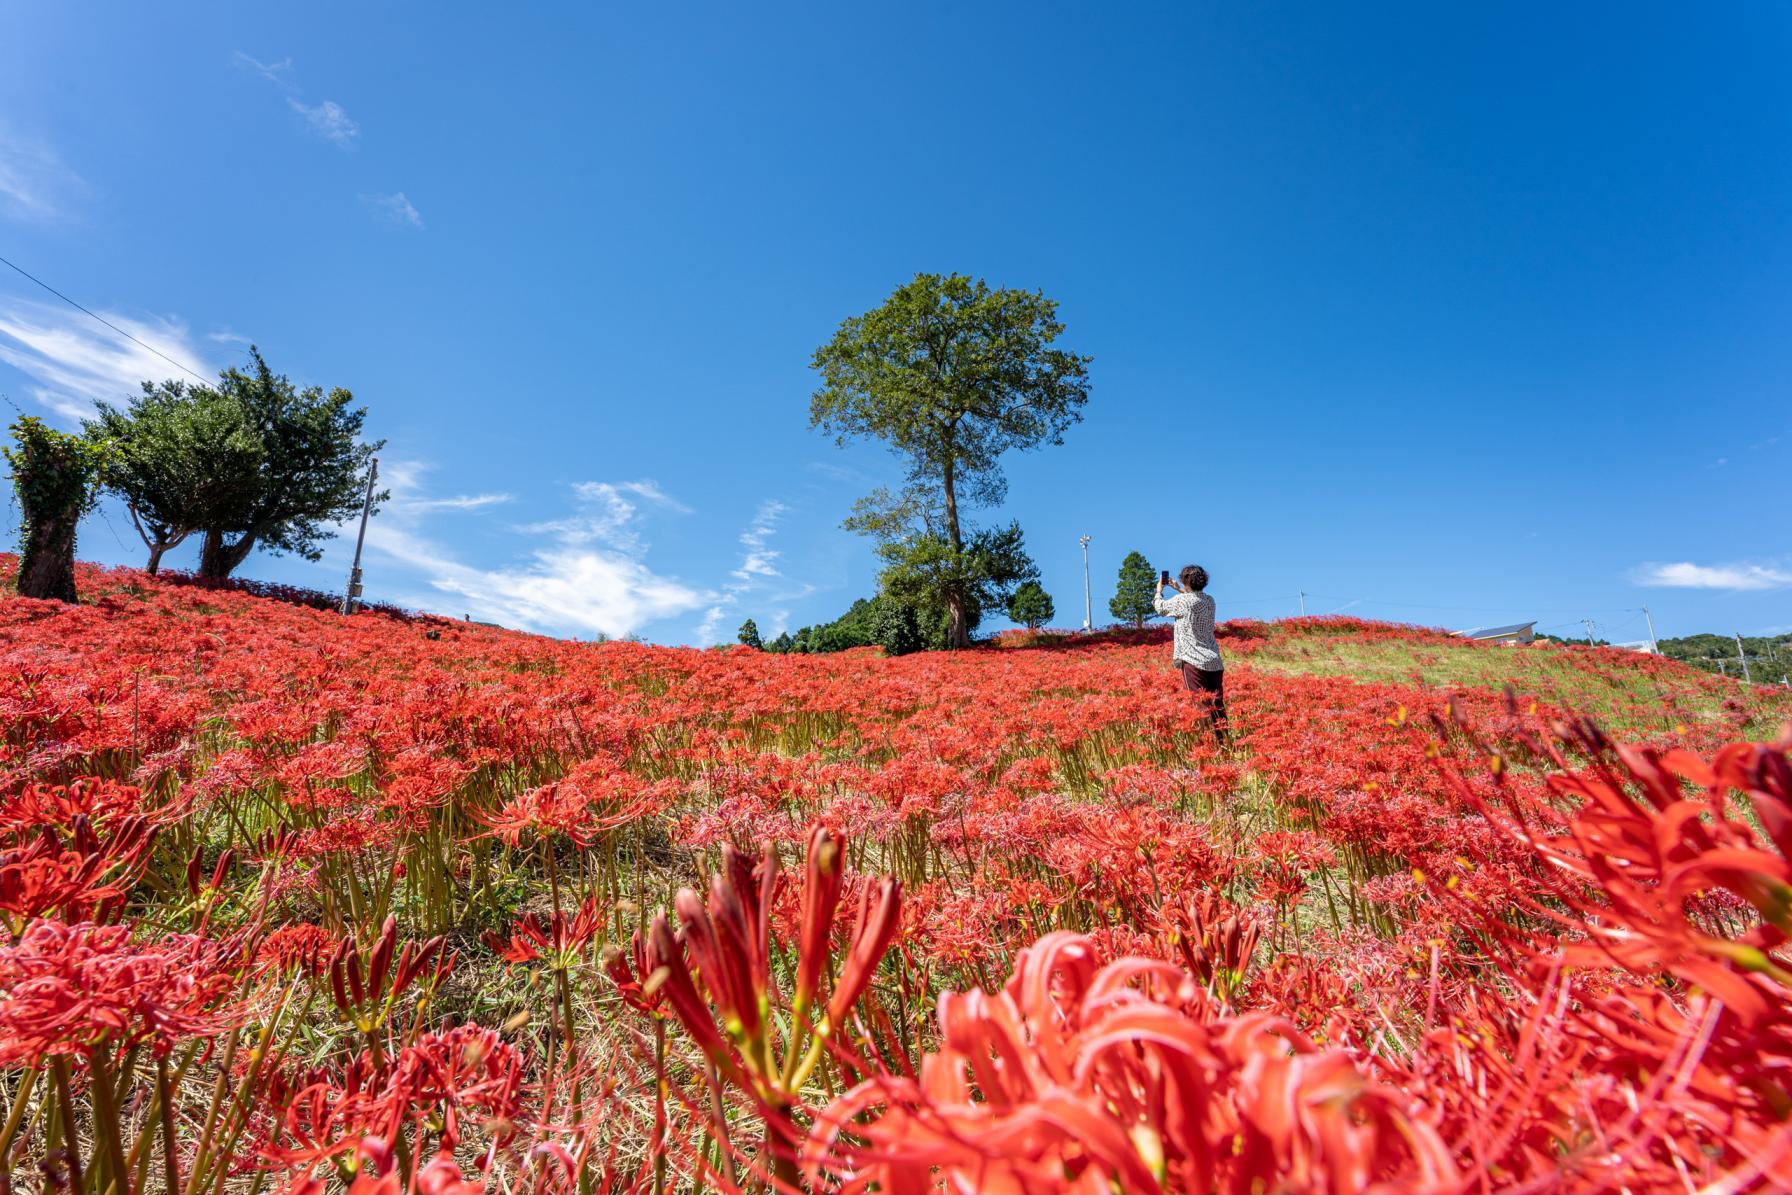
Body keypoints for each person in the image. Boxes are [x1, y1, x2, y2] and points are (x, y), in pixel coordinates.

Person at [1154, 564, 1227, 738]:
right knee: (1217, 706)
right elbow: (1193, 604)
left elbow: (1160, 608)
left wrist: (1159, 591)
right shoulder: (1209, 600)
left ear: (1186, 581)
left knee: (1200, 707)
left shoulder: (1183, 602)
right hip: (1214, 660)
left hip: (1193, 660)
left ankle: (1208, 746)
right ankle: (1224, 743)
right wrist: (1179, 589)